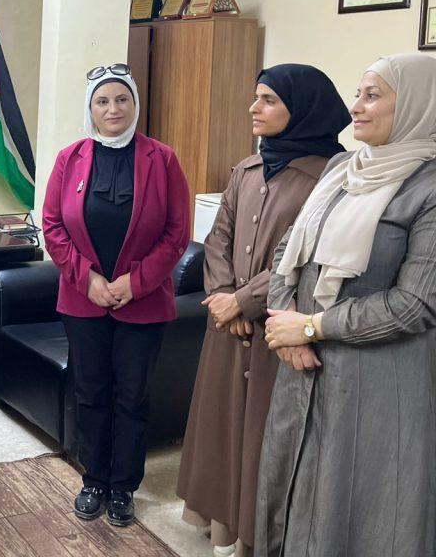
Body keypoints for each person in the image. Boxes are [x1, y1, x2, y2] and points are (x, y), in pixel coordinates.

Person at [257, 54, 436, 557]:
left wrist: (311, 327)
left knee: (358, 512)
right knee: (291, 498)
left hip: (376, 384)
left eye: (372, 96)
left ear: (418, 105)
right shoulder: (342, 168)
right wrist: (283, 323)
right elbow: (288, 249)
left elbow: (414, 304)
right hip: (302, 372)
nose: (355, 106)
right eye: (358, 94)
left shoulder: (428, 188)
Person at [176, 65, 349, 557]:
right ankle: (222, 524)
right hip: (228, 327)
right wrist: (222, 297)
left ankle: (257, 535)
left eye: (269, 100)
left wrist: (244, 301)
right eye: (256, 97)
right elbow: (218, 237)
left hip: (279, 327)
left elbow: (308, 256)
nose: (254, 108)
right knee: (223, 427)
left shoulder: (333, 176)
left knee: (261, 435)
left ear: (304, 108)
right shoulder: (248, 169)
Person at [42, 64, 190, 527]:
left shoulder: (162, 159)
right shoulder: (69, 158)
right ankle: (94, 480)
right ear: (90, 108)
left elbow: (177, 233)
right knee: (90, 392)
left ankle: (124, 487)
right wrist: (87, 279)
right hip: (82, 300)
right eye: (102, 101)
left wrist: (135, 282)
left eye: (121, 99)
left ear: (135, 104)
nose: (113, 109)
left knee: (132, 397)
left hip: (143, 303)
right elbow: (52, 225)